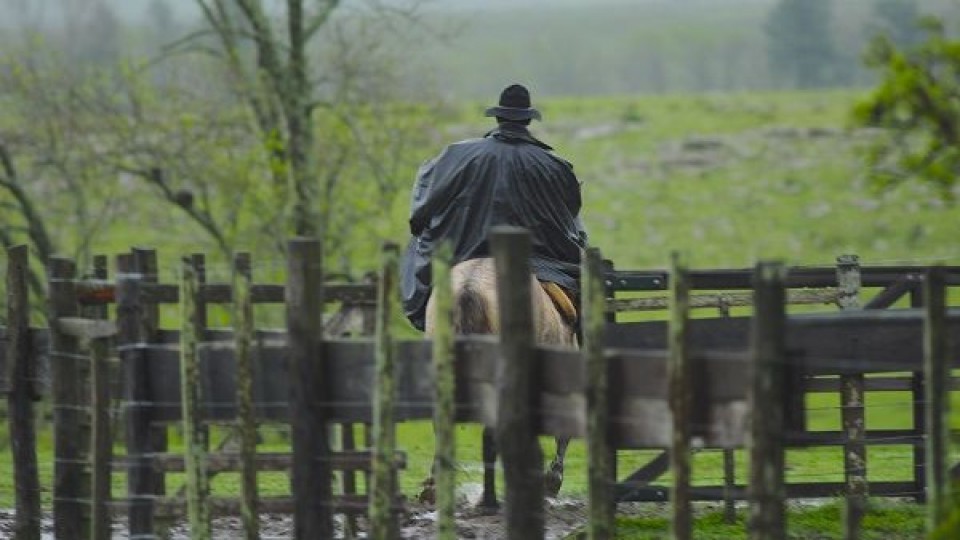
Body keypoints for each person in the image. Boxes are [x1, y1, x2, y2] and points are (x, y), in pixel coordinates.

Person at [400, 83, 588, 330]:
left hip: (462, 253)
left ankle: (420, 312)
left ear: (498, 117)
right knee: (583, 291)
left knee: (417, 244)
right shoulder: (555, 167)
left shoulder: (455, 156)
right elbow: (570, 225)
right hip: (538, 262)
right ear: (528, 121)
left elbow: (420, 213)